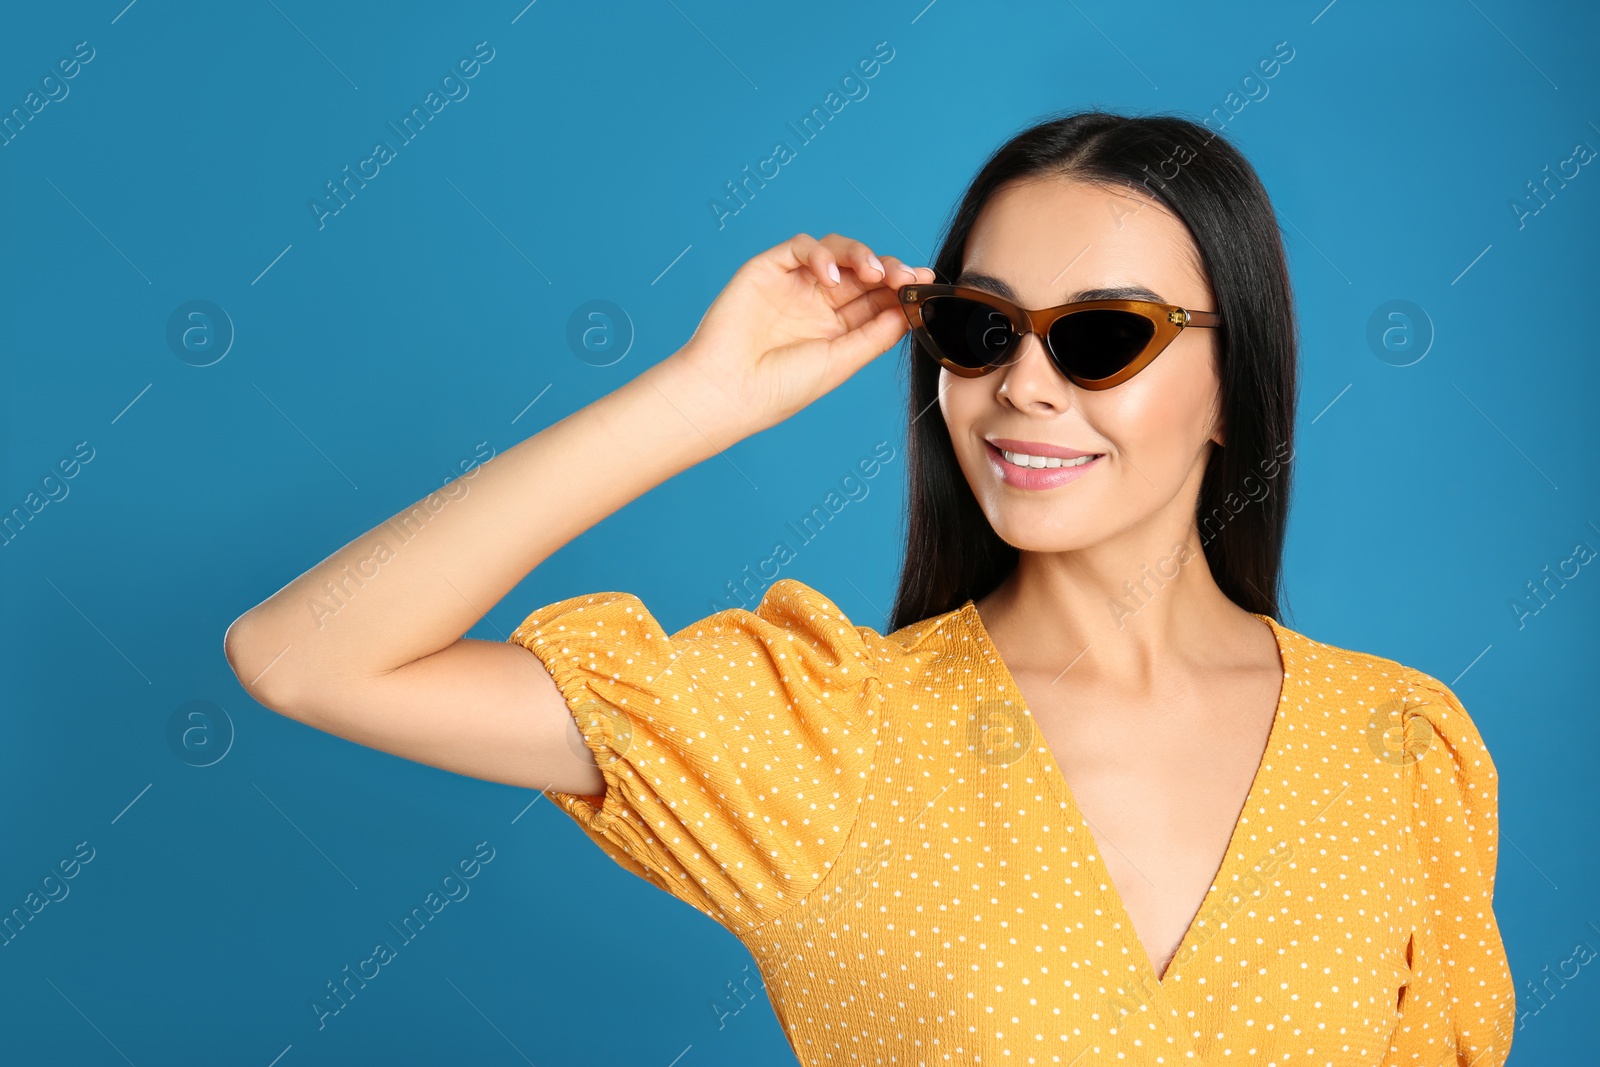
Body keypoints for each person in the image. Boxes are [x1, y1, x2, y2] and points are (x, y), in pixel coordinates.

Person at [224, 110, 1515, 1064]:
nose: (1024, 386)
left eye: (1103, 336)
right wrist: (701, 396)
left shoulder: (1403, 746)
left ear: (1237, 383)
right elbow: (306, 654)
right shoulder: (820, 727)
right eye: (980, 327)